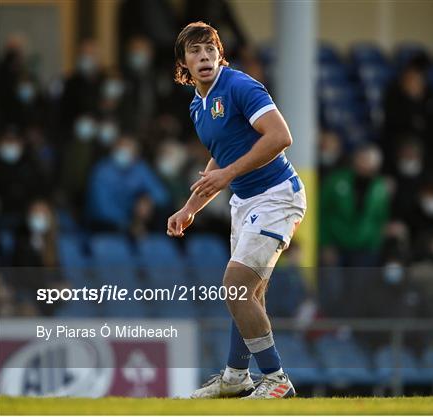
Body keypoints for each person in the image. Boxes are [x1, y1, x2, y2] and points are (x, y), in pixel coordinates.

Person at [167, 22, 306, 399]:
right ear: (183, 62)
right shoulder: (198, 105)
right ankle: (235, 376)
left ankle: (276, 379)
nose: (205, 56)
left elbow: (280, 137)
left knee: (236, 287)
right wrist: (190, 207)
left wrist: (228, 173)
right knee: (248, 295)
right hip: (244, 201)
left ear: (220, 53)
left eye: (210, 48)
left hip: (277, 195)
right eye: (195, 51)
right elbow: (221, 156)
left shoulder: (240, 86)